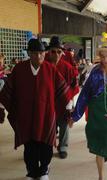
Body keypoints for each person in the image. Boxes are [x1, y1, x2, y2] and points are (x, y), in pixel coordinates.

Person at [0, 39, 73, 180]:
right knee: (30, 146)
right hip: (26, 115)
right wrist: (1, 108)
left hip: (46, 115)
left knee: (46, 144)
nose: (39, 57)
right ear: (29, 54)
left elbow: (62, 90)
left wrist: (69, 107)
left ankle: (44, 170)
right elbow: (8, 90)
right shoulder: (19, 69)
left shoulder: (50, 69)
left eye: (41, 53)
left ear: (45, 54)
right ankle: (32, 172)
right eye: (35, 53)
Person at [69, 42, 107, 180]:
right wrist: (75, 115)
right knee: (100, 150)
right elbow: (85, 94)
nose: (105, 59)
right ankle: (100, 177)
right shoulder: (96, 73)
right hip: (97, 116)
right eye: (102, 56)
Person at [46, 36, 79, 159]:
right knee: (49, 125)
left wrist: (70, 101)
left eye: (59, 52)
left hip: (63, 102)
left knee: (64, 125)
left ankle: (63, 147)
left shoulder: (67, 67)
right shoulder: (44, 66)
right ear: (48, 52)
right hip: (48, 102)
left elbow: (73, 85)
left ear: (63, 53)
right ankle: (49, 145)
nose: (56, 54)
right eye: (53, 51)